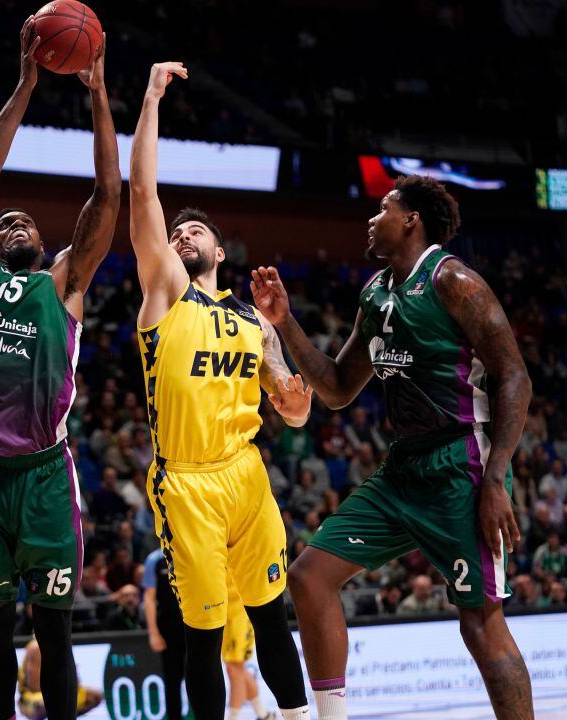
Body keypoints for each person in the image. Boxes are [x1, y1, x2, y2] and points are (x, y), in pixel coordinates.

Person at [253, 175, 535, 719]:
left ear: (411, 219)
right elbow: (335, 388)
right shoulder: (376, 293)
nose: (370, 218)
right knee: (310, 578)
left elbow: (514, 376)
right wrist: (284, 323)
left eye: (383, 208)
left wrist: (497, 476)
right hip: (401, 469)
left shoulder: (454, 281)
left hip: (461, 466)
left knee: (481, 624)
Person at [129, 61, 313, 720]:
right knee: (203, 637)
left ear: (220, 252)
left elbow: (292, 413)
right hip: (186, 482)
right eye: (177, 234)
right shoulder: (165, 291)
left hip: (246, 474)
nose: (183, 235)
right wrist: (150, 99)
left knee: (271, 616)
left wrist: (292, 374)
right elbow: (144, 193)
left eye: (196, 231)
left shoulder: (251, 321)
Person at [0, 18, 119, 720]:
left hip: (45, 477)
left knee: (52, 628)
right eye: (5, 222)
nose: (14, 223)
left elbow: (107, 196)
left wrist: (99, 95)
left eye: (28, 222)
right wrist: (25, 84)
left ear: (47, 244)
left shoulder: (68, 284)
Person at [17, 635, 103, 720]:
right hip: (32, 698)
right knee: (46, 703)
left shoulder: (64, 644)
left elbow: (74, 681)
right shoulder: (35, 647)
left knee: (95, 696)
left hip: (58, 691)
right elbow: (35, 687)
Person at [144, 547, 186, 720]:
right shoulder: (154, 559)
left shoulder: (190, 550)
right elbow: (149, 598)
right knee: (172, 679)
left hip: (195, 623)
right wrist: (153, 632)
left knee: (201, 674)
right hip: (168, 627)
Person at [222, 585, 274, 720]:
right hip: (224, 609)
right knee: (236, 668)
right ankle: (264, 715)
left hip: (240, 610)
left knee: (234, 668)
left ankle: (232, 717)